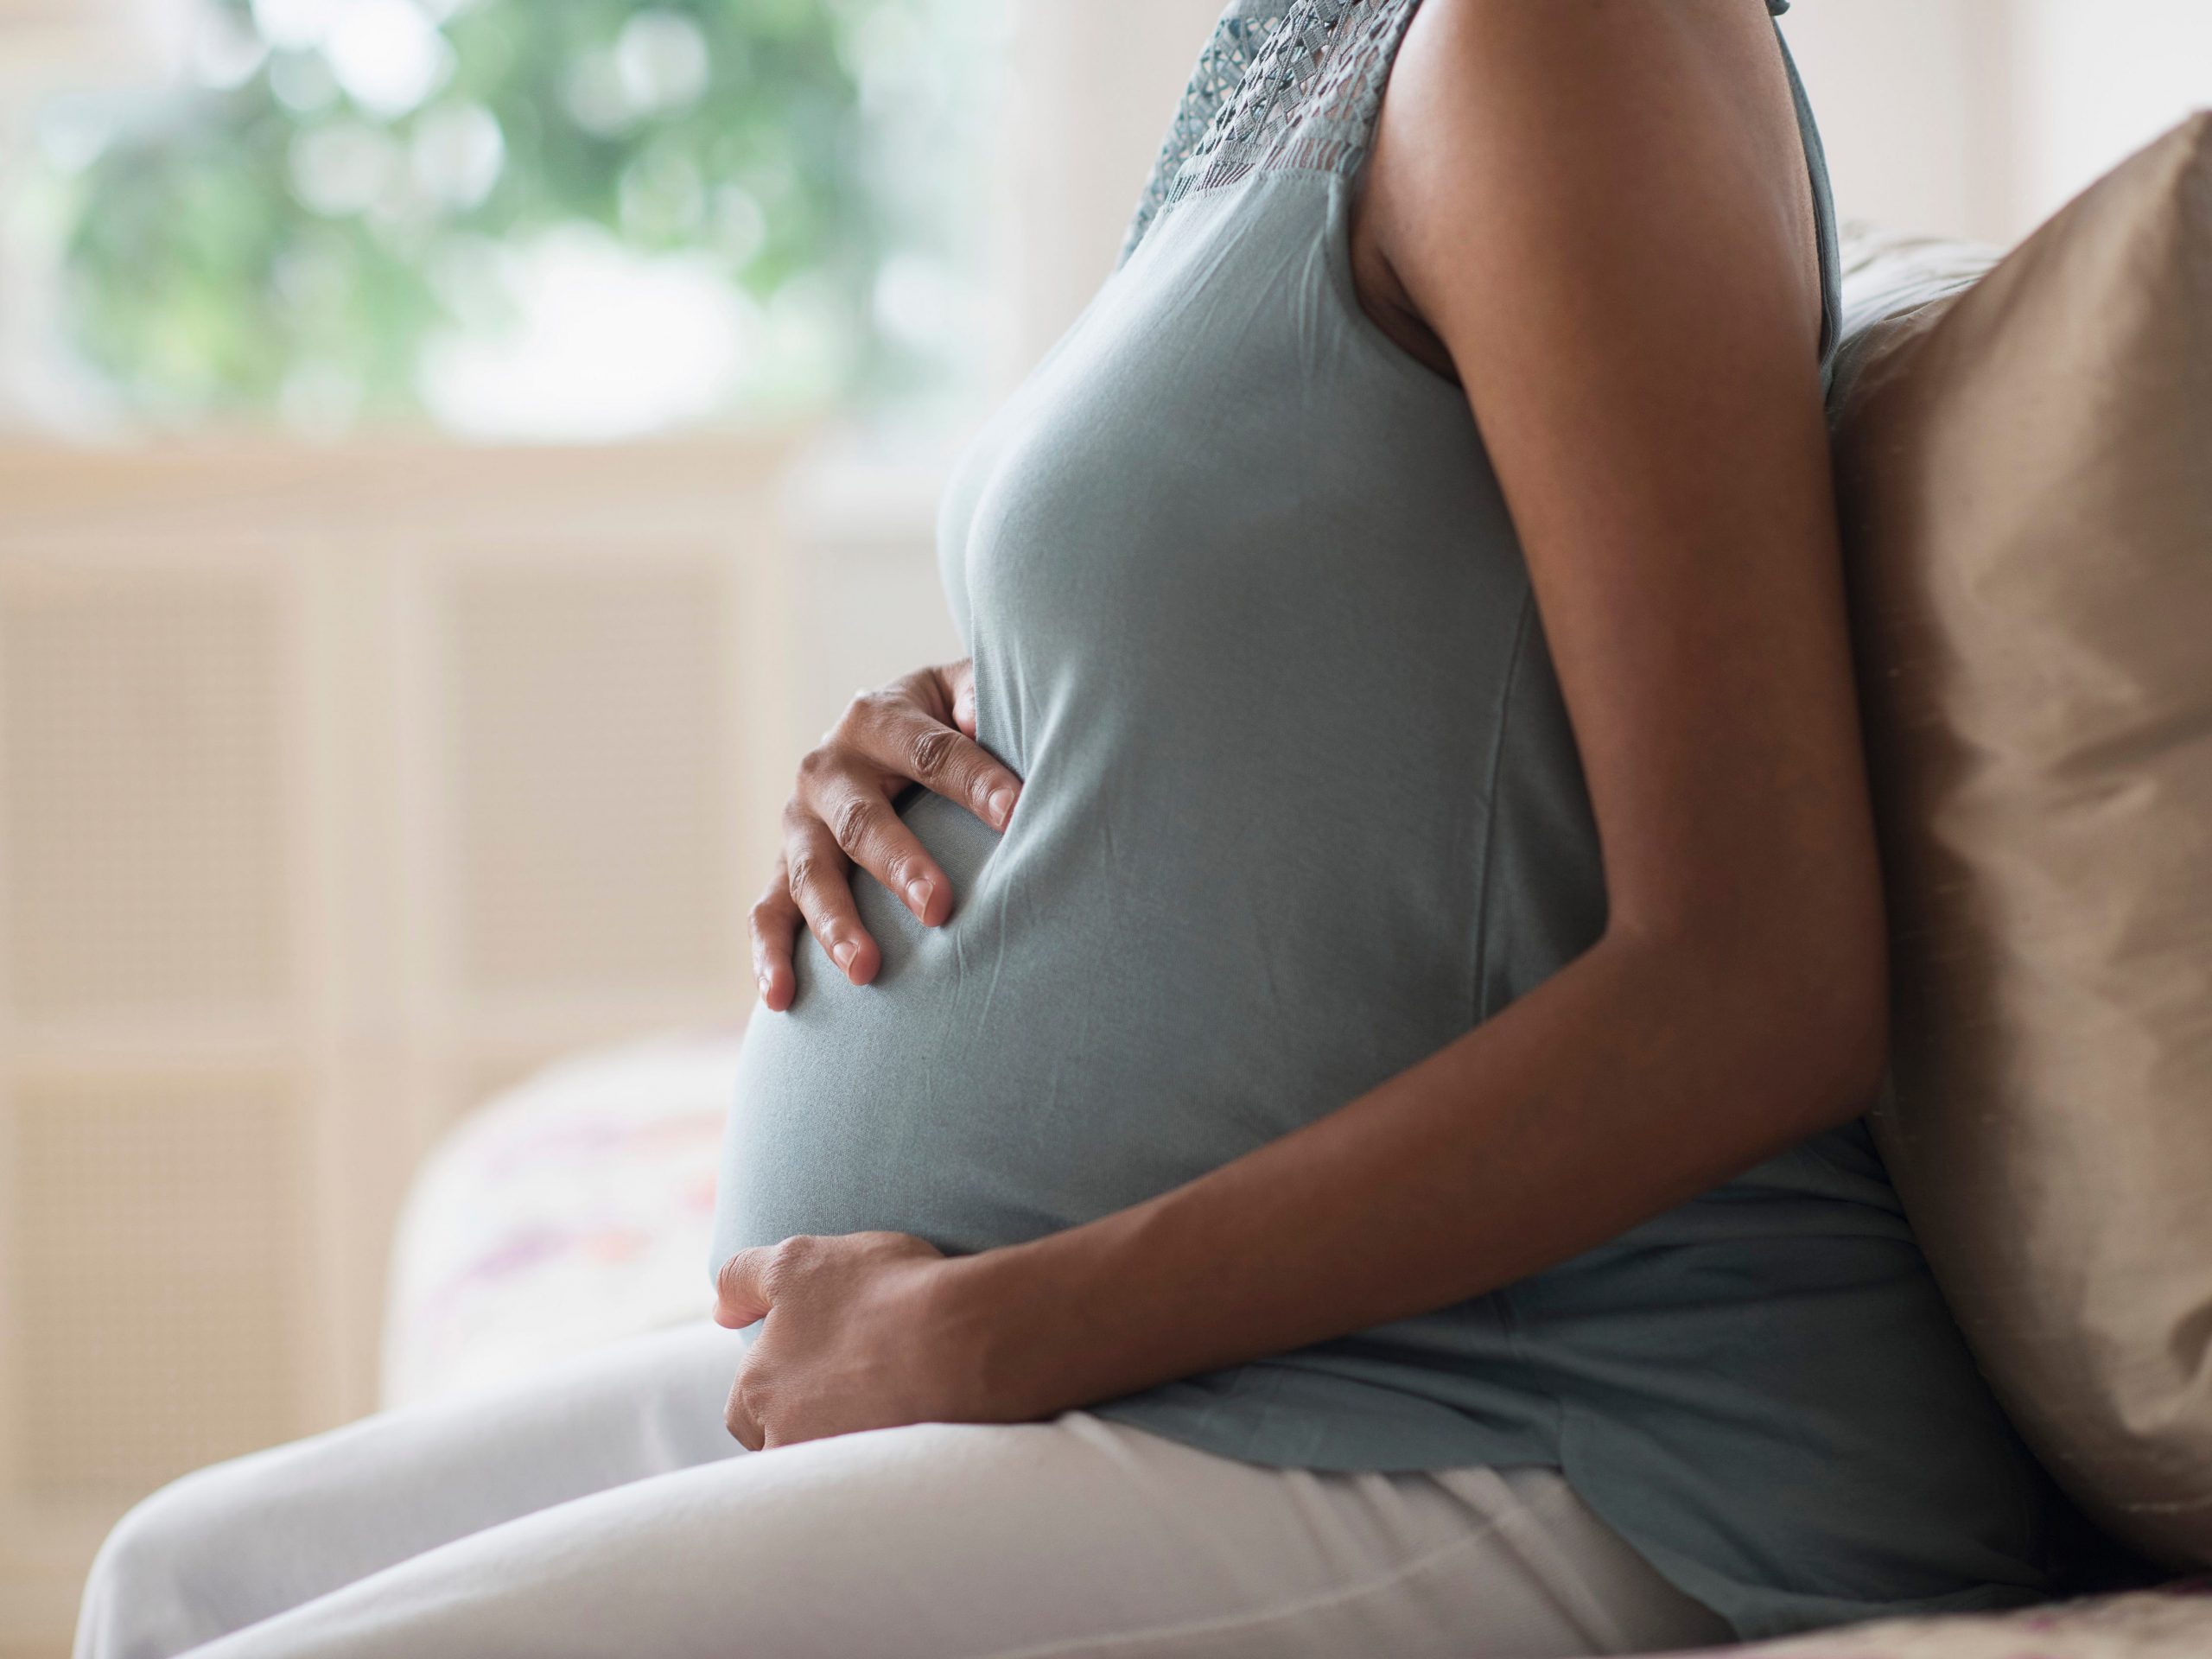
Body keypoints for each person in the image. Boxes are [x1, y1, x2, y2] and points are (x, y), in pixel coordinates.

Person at [77, 2, 2057, 1655]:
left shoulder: (1568, 37)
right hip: (1212, 1369)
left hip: (1533, 1412)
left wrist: (996, 1330)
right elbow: (1331, 667)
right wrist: (936, 733)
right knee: (170, 1581)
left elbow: (1759, 978)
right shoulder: (1308, 51)